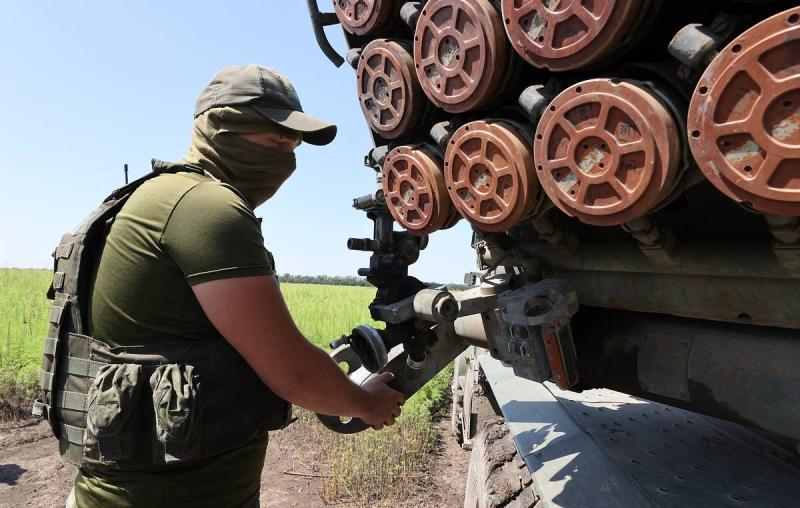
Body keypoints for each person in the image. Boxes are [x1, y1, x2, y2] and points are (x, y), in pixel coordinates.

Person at [40, 64, 405, 507]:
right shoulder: (208, 208)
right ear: (222, 127)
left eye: (294, 144)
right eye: (276, 138)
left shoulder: (158, 197)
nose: (288, 155)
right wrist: (364, 403)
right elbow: (291, 370)